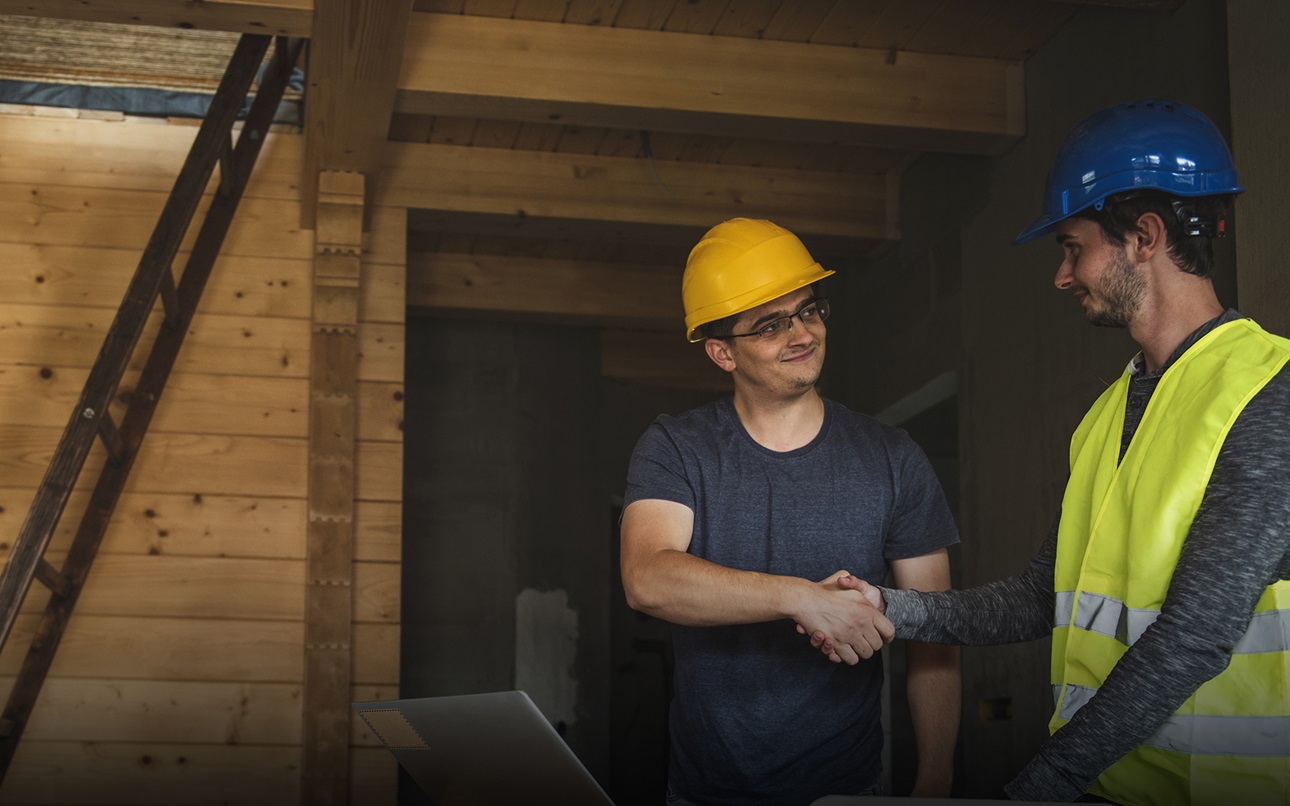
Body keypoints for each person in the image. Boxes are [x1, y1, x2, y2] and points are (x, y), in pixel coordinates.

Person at [811, 99, 1290, 805]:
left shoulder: (1267, 392)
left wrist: (1039, 788)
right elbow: (1040, 598)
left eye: (1073, 248)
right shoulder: (1105, 415)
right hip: (1103, 785)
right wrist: (887, 606)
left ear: (1145, 236)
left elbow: (1196, 634)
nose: (1063, 276)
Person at [619, 217, 961, 805]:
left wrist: (936, 779)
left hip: (848, 791)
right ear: (722, 352)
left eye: (808, 311)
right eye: (771, 324)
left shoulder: (893, 458)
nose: (801, 333)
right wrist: (801, 598)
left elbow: (936, 635)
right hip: (704, 794)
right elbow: (647, 578)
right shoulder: (677, 447)